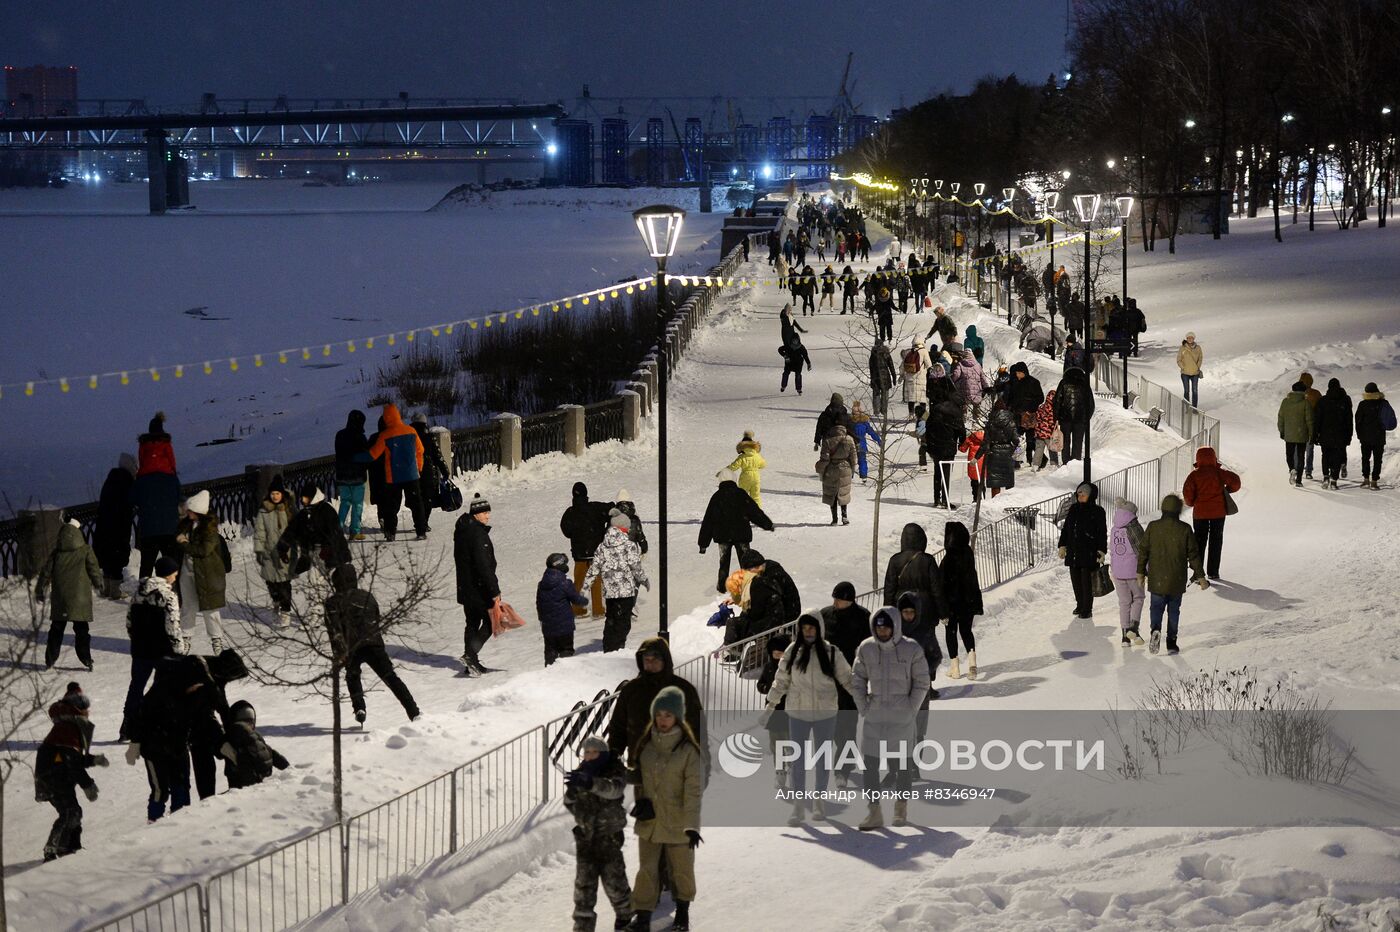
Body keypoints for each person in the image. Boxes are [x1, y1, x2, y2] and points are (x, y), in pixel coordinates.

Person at [764, 612, 853, 825]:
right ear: (799, 630)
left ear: (819, 629)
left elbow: (848, 679)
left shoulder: (832, 653)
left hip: (826, 713)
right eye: (804, 628)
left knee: (822, 760)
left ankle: (819, 801)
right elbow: (781, 681)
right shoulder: (792, 652)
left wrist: (865, 699)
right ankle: (798, 805)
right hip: (798, 713)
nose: (808, 632)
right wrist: (771, 705)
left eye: (812, 628)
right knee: (798, 761)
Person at [626, 686, 704, 932]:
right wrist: (640, 800)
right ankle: (644, 917)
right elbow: (640, 779)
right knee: (646, 871)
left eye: (668, 715)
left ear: (677, 717)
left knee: (681, 869)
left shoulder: (688, 751)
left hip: (678, 821)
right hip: (650, 821)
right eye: (659, 715)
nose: (662, 720)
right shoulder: (647, 746)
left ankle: (682, 914)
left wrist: (692, 826)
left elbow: (693, 792)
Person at [851, 607, 930, 830]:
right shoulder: (866, 648)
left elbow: (922, 682)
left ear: (894, 626)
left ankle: (900, 808)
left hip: (901, 715)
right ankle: (874, 811)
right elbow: (857, 679)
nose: (882, 631)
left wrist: (910, 708)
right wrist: (863, 707)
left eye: (886, 626)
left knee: (903, 764)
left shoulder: (911, 649)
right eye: (878, 627)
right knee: (870, 765)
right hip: (874, 715)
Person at [325, 563, 420, 722]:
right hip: (373, 643)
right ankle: (414, 711)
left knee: (352, 676)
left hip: (351, 646)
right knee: (391, 678)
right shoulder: (367, 596)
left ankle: (359, 708)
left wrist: (340, 652)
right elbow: (376, 616)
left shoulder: (333, 602)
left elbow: (334, 629)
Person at [565, 736, 633, 932]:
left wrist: (591, 783)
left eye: (594, 752)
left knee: (615, 883)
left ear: (602, 754)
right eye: (587, 752)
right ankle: (583, 926)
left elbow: (614, 790)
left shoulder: (615, 771)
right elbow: (570, 801)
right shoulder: (581, 773)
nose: (590, 756)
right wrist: (582, 815)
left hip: (608, 838)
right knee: (584, 888)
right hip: (586, 840)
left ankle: (626, 917)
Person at [34, 682, 107, 861]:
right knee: (69, 812)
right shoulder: (69, 729)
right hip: (54, 777)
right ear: (78, 708)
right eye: (85, 707)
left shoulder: (67, 726)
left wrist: (93, 760)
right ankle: (54, 849)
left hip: (56, 776)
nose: (88, 711)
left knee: (73, 811)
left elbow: (71, 758)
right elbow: (70, 761)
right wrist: (87, 784)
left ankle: (69, 847)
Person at [607, 638, 706, 768]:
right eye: (646, 660)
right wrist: (612, 757)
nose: (650, 664)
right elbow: (618, 729)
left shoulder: (683, 689)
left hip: (676, 770)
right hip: (640, 769)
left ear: (665, 660)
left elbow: (697, 729)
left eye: (655, 660)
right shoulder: (631, 691)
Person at [119, 557, 188, 740]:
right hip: (162, 650)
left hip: (140, 649)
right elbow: (172, 627)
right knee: (162, 688)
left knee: (136, 686)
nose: (176, 576)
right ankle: (158, 725)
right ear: (168, 573)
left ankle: (128, 726)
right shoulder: (168, 596)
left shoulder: (138, 593)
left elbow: (129, 622)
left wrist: (137, 640)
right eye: (174, 572)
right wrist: (180, 650)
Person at [1137, 494, 1208, 655]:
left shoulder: (1153, 527)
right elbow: (1193, 555)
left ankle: (1155, 630)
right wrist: (1201, 576)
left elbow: (1143, 551)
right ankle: (1171, 642)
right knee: (1174, 611)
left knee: (1156, 608)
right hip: (1177, 579)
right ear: (1178, 509)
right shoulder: (1185, 529)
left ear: (1163, 508)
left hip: (1157, 579)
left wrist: (1140, 572)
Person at [36, 519, 102, 671]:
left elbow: (45, 572)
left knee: (57, 628)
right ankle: (86, 658)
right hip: (80, 598)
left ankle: (50, 659)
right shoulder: (85, 550)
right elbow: (93, 568)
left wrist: (40, 589)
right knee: (82, 630)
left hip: (61, 598)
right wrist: (98, 583)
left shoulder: (57, 552)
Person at [697, 470, 774, 593]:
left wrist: (703, 543)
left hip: (723, 537)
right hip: (741, 535)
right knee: (747, 562)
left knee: (724, 563)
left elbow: (708, 521)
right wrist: (767, 524)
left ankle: (722, 587)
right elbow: (754, 512)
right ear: (734, 479)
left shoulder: (717, 497)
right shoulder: (741, 494)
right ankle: (749, 586)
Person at [583, 512, 649, 653]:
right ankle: (617, 648)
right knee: (623, 622)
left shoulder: (603, 546)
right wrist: (644, 580)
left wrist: (586, 586)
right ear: (624, 527)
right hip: (625, 591)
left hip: (610, 591)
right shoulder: (629, 545)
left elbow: (594, 568)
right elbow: (636, 567)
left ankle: (609, 647)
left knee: (611, 619)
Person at [366, 403, 429, 541]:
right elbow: (420, 451)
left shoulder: (385, 435)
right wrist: (418, 467)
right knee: (417, 504)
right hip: (411, 475)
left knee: (391, 506)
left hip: (393, 477)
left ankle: (390, 532)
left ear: (386, 418)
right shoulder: (411, 431)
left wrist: (357, 458)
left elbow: (374, 454)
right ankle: (421, 530)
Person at [176, 490, 227, 654]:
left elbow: (203, 550)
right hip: (187, 573)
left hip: (206, 574)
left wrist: (184, 544)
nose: (187, 512)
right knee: (188, 608)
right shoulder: (187, 525)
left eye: (189, 510)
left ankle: (216, 641)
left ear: (197, 511)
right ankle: (185, 639)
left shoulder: (209, 529)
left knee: (209, 610)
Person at [454, 493, 500, 676]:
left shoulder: (462, 531)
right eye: (484, 512)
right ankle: (470, 655)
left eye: (488, 511)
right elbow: (484, 566)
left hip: (465, 588)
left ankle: (470, 663)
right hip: (479, 588)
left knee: (471, 623)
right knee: (491, 622)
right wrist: (494, 591)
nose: (488, 515)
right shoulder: (477, 535)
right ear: (475, 514)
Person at [130, 424, 182, 579]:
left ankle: (144, 595)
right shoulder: (171, 477)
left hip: (149, 528)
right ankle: (174, 596)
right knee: (173, 566)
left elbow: (132, 500)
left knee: (146, 567)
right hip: (169, 527)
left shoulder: (142, 478)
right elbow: (178, 498)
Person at [1182, 446, 1241, 580]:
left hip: (1200, 514)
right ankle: (1213, 571)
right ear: (1214, 457)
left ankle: (1198, 572)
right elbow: (1236, 482)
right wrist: (1227, 490)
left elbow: (1188, 493)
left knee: (1199, 542)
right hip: (1218, 514)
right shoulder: (1219, 473)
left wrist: (1192, 502)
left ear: (1198, 458)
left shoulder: (1194, 475)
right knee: (1216, 541)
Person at [561, 482, 612, 618]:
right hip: (595, 553)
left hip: (579, 555)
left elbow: (566, 531)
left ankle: (578, 609)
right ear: (586, 494)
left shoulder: (570, 512)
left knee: (579, 582)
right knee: (596, 581)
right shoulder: (595, 508)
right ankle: (598, 610)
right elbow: (610, 510)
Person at [278, 487, 351, 578]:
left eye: (306, 499)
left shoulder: (327, 511)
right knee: (297, 576)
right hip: (310, 554)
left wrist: (328, 548)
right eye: (302, 499)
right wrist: (282, 548)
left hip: (332, 554)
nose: (303, 501)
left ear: (314, 498)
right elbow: (291, 530)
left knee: (323, 579)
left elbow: (335, 533)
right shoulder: (303, 514)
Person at [940, 521, 982, 680]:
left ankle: (955, 668)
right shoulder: (968, 553)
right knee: (966, 631)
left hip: (952, 603)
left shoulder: (949, 557)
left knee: (951, 633)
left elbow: (943, 581)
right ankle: (972, 662)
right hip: (968, 601)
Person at [1058, 482, 1107, 619]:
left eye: (1083, 493)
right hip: (1074, 552)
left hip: (1089, 552)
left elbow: (1102, 532)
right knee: (1076, 580)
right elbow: (1066, 529)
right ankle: (1080, 604)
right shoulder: (1074, 509)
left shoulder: (1098, 511)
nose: (1080, 496)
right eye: (1078, 493)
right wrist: (1062, 545)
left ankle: (1087, 608)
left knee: (1087, 581)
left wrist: (1101, 551)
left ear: (1090, 495)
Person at [220, 700, 290, 789]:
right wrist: (289, 770)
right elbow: (271, 753)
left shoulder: (231, 737)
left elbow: (218, 752)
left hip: (242, 786)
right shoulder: (256, 735)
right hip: (264, 782)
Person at [94, 453, 137, 599]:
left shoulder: (111, 479)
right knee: (117, 554)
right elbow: (128, 503)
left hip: (105, 523)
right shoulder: (126, 481)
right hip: (119, 524)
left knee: (107, 554)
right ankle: (115, 590)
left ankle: (107, 587)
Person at [724, 550, 788, 645]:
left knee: (740, 625)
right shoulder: (759, 580)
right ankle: (731, 647)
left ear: (755, 567)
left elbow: (756, 611)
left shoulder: (760, 582)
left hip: (778, 620)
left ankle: (731, 650)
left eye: (747, 570)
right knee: (740, 623)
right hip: (774, 618)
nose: (746, 573)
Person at [253, 478, 295, 623]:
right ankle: (276, 601)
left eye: (277, 493)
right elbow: (259, 532)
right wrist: (259, 550)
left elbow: (295, 530)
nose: (275, 496)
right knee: (271, 583)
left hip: (285, 554)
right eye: (273, 494)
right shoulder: (264, 511)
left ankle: (285, 612)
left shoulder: (289, 509)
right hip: (269, 553)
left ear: (282, 494)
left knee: (284, 584)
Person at [538, 553, 589, 666]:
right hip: (564, 626)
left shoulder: (542, 584)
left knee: (550, 651)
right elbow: (575, 599)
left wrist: (542, 619)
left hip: (548, 626)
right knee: (566, 650)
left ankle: (549, 671)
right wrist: (584, 601)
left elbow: (539, 604)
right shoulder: (565, 583)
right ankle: (565, 673)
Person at [1109, 498, 1147, 646]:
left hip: (1118, 572)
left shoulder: (1114, 529)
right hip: (1134, 571)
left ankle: (1125, 637)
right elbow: (1142, 551)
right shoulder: (1135, 528)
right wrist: (1146, 570)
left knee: (1124, 603)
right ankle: (1134, 628)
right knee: (1138, 598)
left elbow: (1112, 550)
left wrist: (1113, 569)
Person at [334, 410, 371, 539]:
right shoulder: (360, 437)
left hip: (342, 476)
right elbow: (366, 456)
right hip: (357, 477)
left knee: (345, 502)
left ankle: (337, 529)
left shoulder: (340, 435)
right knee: (357, 504)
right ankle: (355, 531)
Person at [1355, 382, 1396, 490]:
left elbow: (1358, 421)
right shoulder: (1383, 403)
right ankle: (1374, 481)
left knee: (1365, 458)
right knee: (1378, 459)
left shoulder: (1363, 404)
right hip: (1379, 437)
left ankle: (1366, 480)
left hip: (1365, 437)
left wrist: (1360, 435)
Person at [1313, 378, 1353, 490]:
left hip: (1325, 434)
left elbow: (1317, 420)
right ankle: (1334, 480)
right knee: (1337, 456)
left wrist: (1315, 434)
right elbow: (1349, 420)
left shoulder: (1322, 401)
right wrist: (1349, 435)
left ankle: (1326, 476)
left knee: (1325, 456)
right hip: (1340, 434)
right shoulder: (1345, 400)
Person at [817, 424, 857, 526]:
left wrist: (819, 469)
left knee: (832, 494)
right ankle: (845, 517)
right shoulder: (849, 439)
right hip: (846, 469)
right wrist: (853, 469)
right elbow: (853, 457)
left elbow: (824, 459)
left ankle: (834, 519)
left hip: (831, 469)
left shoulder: (827, 440)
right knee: (843, 493)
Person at [1054, 367, 1095, 464]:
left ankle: (1066, 462)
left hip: (1065, 418)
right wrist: (1086, 418)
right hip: (1080, 419)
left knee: (1065, 441)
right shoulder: (1085, 384)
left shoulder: (1063, 383)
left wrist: (1056, 417)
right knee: (1078, 441)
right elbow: (1091, 404)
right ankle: (1075, 461)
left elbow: (1057, 401)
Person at [1277, 380, 1314, 488]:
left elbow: (1281, 418)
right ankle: (1299, 480)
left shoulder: (1285, 402)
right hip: (1302, 434)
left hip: (1289, 434)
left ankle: (1292, 469)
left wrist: (1282, 431)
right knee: (1301, 456)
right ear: (1303, 391)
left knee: (1289, 454)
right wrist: (1311, 434)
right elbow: (1310, 420)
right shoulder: (1305, 403)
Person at [1008, 362, 1045, 467]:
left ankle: (1035, 460)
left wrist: (1030, 408)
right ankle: (1016, 459)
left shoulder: (1034, 382)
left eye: (1019, 373)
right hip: (1017, 415)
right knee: (1017, 439)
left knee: (1030, 440)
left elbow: (1040, 398)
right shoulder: (1015, 383)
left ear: (1024, 372)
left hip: (1029, 416)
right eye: (1016, 373)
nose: (1017, 375)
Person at [983, 402, 1020, 495]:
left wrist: (977, 457)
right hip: (1008, 454)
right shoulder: (1011, 422)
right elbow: (1016, 440)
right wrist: (1014, 450)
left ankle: (995, 502)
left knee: (995, 482)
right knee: (1009, 481)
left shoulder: (990, 423)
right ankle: (1008, 503)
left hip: (993, 453)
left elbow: (986, 441)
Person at [727, 431, 767, 505]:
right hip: (756, 477)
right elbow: (763, 465)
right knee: (756, 496)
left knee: (742, 495)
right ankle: (757, 513)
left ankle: (741, 512)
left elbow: (734, 466)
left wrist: (725, 471)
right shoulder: (757, 456)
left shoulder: (742, 457)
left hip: (745, 476)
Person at [1298, 372, 1323, 479]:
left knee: (1298, 449)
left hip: (1299, 425)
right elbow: (1320, 410)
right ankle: (1308, 470)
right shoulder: (1316, 394)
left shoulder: (1296, 393)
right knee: (1309, 449)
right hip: (1311, 425)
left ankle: (1296, 468)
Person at [849, 402, 882, 481]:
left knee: (852, 460)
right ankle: (862, 476)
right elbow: (871, 432)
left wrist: (878, 440)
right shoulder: (862, 422)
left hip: (853, 443)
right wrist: (879, 440)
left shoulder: (851, 422)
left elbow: (871, 432)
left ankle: (852, 475)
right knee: (861, 460)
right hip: (860, 443)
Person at [900, 339, 932, 415]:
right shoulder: (924, 351)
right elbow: (929, 365)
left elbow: (902, 366)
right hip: (921, 379)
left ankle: (911, 415)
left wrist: (902, 375)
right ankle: (924, 418)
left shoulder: (909, 352)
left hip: (910, 379)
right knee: (922, 400)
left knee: (911, 399)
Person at [611, 490, 648, 555]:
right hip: (631, 553)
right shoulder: (634, 519)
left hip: (616, 554)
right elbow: (640, 536)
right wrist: (644, 549)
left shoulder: (613, 518)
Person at [1034, 389, 1062, 470]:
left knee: (1039, 449)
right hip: (1048, 433)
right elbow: (1050, 421)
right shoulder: (1052, 409)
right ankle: (1054, 463)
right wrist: (1054, 428)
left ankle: (1036, 465)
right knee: (1052, 448)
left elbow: (1037, 418)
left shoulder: (1041, 406)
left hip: (1039, 432)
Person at [869, 339, 897, 417]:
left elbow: (871, 367)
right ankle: (884, 411)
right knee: (885, 394)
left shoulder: (873, 353)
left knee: (876, 394)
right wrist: (894, 377)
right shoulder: (886, 353)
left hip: (875, 376)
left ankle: (876, 411)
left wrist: (872, 378)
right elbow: (891, 365)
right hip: (885, 377)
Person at [1177, 332, 1203, 408]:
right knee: (1186, 391)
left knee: (1195, 391)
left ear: (1194, 338)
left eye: (1191, 338)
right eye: (1188, 338)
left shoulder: (1198, 348)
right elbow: (1179, 359)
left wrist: (1197, 367)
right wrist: (1183, 367)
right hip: (1185, 373)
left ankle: (1194, 408)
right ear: (1186, 338)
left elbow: (1200, 358)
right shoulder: (1182, 348)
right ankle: (1187, 407)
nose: (1190, 339)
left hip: (1195, 373)